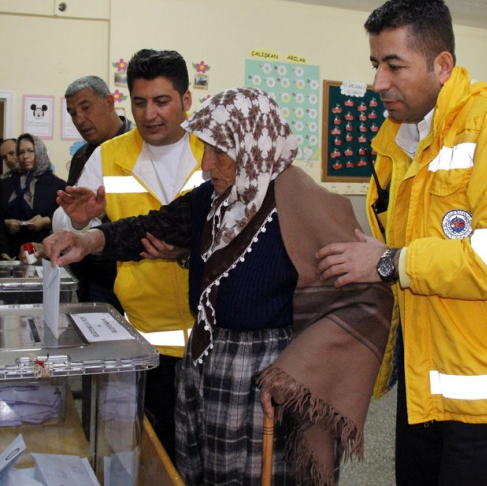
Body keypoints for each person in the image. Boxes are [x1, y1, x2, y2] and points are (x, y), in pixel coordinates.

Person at [42, 87, 393, 486]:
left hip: (267, 374)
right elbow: (149, 226)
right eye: (204, 150)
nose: (207, 165)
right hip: (206, 359)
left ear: (252, 145)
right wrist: (87, 240)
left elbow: (361, 297)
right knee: (205, 471)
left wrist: (295, 372)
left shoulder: (305, 202)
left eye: (218, 152)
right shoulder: (213, 198)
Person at [316, 0, 487, 486]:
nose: (378, 83)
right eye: (375, 64)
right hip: (427, 373)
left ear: (442, 64)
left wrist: (389, 262)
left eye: (394, 65)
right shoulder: (396, 139)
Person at [52, 49, 204, 462]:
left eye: (162, 101)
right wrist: (80, 221)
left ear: (186, 101)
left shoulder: (212, 154)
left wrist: (189, 252)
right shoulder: (109, 155)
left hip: (209, 335)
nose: (150, 114)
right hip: (141, 338)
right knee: (148, 451)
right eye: (140, 102)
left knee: (204, 454)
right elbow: (63, 228)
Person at [51, 75, 135, 313]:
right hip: (86, 269)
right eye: (72, 113)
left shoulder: (138, 149)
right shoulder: (81, 157)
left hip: (126, 269)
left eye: (86, 108)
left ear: (109, 102)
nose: (79, 119)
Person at [1, 133, 66, 258]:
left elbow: (69, 219)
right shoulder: (6, 184)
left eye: (31, 151)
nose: (25, 156)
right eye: (21, 152)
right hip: (12, 256)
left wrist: (47, 221)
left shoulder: (57, 185)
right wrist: (6, 223)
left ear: (40, 152)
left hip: (46, 255)